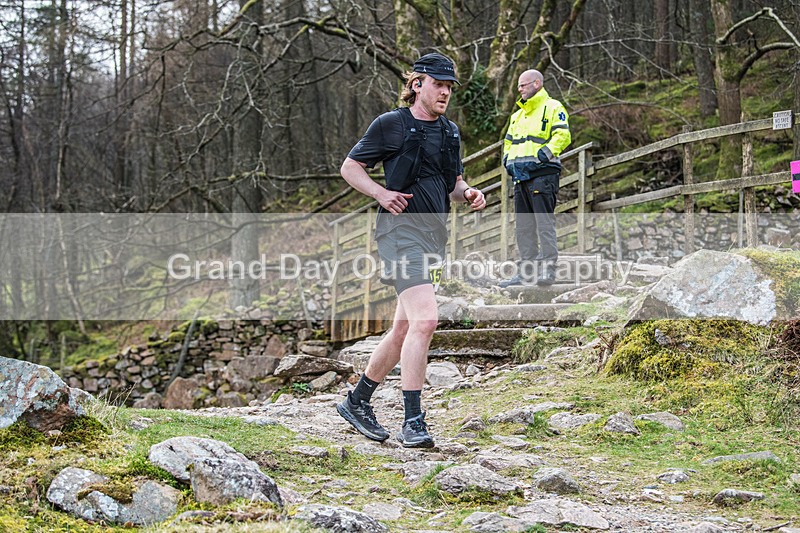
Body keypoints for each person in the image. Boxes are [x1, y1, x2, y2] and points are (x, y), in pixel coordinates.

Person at [336, 53, 486, 448]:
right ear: (417, 84)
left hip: (434, 236)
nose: (445, 92)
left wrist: (468, 192)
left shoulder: (451, 133)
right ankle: (413, 421)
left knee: (404, 327)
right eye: (439, 84)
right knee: (426, 322)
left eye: (450, 87)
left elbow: (452, 183)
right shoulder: (391, 124)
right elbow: (351, 167)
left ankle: (357, 401)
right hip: (399, 234)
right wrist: (381, 193)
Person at [499, 69, 571, 288]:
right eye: (519, 85)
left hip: (543, 175)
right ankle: (525, 273)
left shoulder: (553, 107)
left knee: (544, 224)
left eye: (523, 85)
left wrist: (543, 155)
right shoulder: (517, 116)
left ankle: (548, 270)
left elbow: (563, 135)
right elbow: (508, 142)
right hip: (520, 177)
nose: (519, 89)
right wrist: (507, 160)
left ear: (537, 84)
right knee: (523, 227)